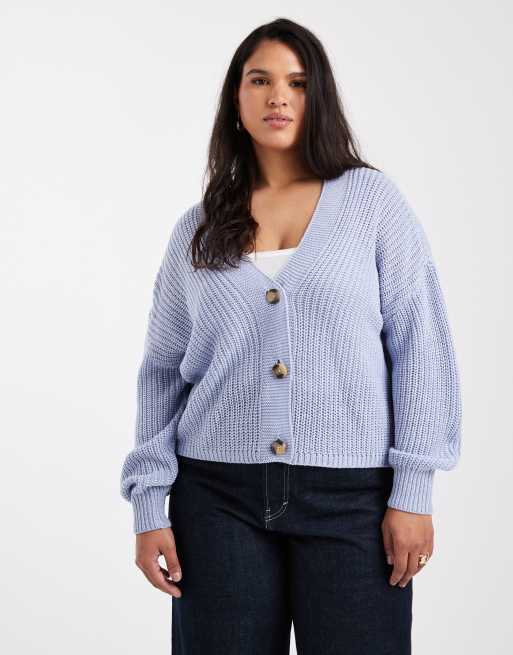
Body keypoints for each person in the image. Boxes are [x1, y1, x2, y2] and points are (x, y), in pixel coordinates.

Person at [120, 17, 462, 655]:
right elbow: (162, 371)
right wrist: (148, 504)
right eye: (261, 81)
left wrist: (414, 490)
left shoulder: (372, 205)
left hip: (352, 501)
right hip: (215, 498)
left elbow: (422, 348)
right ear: (236, 98)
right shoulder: (197, 228)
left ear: (318, 96)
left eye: (297, 83)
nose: (278, 96)